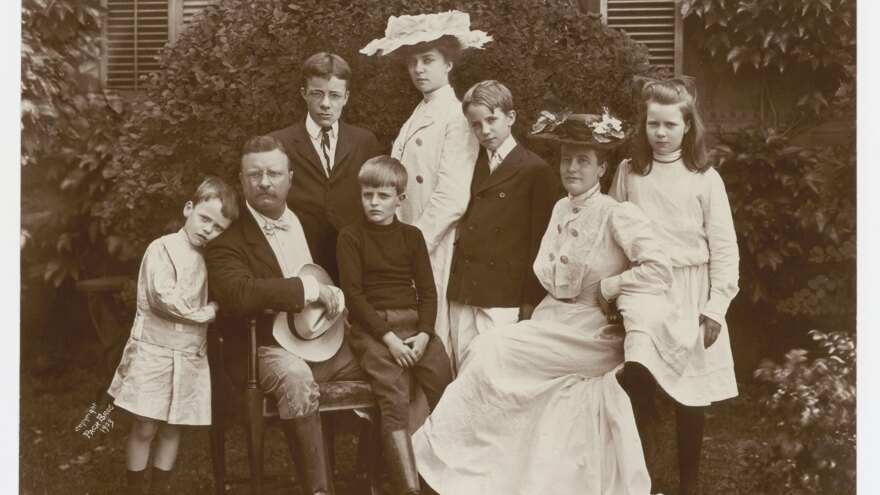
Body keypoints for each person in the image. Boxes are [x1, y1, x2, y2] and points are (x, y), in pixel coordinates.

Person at [411, 109, 673, 494]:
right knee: (485, 351)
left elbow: (659, 268)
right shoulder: (560, 208)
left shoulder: (618, 215)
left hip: (590, 333)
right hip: (553, 322)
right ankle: (474, 467)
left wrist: (610, 287)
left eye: (583, 161)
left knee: (491, 350)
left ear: (601, 168)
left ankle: (446, 464)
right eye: (566, 159)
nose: (571, 168)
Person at [205, 135, 364, 495]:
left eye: (274, 173)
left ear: (290, 177)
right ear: (241, 179)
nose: (265, 182)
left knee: (386, 365)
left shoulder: (315, 222)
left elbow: (347, 274)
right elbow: (239, 293)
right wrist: (308, 290)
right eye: (255, 174)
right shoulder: (226, 235)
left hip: (329, 342)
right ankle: (320, 491)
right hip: (263, 346)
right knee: (296, 379)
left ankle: (378, 479)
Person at [609, 77, 740, 495]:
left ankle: (689, 483)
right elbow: (612, 235)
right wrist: (614, 289)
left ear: (687, 126)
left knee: (691, 393)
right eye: (653, 125)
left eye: (670, 125)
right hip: (645, 290)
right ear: (642, 126)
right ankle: (640, 477)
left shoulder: (704, 179)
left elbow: (724, 248)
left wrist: (716, 306)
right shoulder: (630, 173)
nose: (660, 134)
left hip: (690, 291)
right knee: (637, 380)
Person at [360, 11, 490, 358]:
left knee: (432, 332)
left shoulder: (456, 115)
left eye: (428, 60)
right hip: (406, 239)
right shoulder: (419, 112)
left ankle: (437, 408)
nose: (418, 69)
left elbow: (452, 198)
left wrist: (411, 247)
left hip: (431, 241)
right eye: (412, 62)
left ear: (448, 63)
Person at [107, 177, 239, 494]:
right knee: (146, 425)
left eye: (218, 227)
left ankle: (159, 489)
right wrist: (209, 311)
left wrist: (220, 304)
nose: (208, 229)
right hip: (154, 352)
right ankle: (136, 489)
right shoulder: (162, 248)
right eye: (204, 219)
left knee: (173, 426)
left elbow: (228, 292)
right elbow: (162, 298)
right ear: (188, 209)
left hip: (190, 355)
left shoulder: (213, 259)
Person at [336, 156, 453, 495]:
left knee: (443, 384)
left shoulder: (412, 237)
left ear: (399, 200)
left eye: (383, 196)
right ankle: (407, 488)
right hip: (373, 329)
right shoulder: (351, 237)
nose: (374, 202)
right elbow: (354, 297)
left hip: (414, 325)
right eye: (368, 194)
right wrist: (389, 340)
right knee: (394, 395)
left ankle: (446, 476)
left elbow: (428, 292)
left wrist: (424, 335)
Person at [446, 80, 559, 369]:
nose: (484, 131)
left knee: (494, 372)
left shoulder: (534, 169)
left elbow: (541, 242)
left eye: (492, 120)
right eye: (475, 124)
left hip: (504, 295)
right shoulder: (469, 163)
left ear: (510, 118)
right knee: (461, 371)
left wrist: (530, 301)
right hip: (464, 288)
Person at [269, 52, 381, 284]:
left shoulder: (364, 142)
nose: (326, 104)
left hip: (354, 263)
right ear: (304, 94)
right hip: (300, 262)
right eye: (317, 94)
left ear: (346, 97)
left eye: (335, 95)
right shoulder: (279, 143)